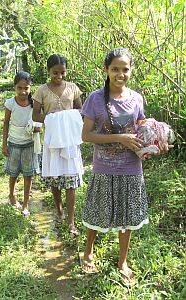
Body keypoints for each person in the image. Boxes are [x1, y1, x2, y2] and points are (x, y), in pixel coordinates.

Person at [81, 48, 169, 283]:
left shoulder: (137, 98)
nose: (120, 74)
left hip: (131, 166)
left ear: (131, 70)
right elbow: (86, 136)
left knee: (127, 216)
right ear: (106, 70)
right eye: (115, 69)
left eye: (125, 69)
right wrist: (119, 138)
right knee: (98, 211)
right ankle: (88, 251)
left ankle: (123, 261)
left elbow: (141, 127)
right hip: (105, 166)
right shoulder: (95, 99)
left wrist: (158, 140)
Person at [32, 54, 83, 235]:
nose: (59, 76)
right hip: (53, 141)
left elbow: (79, 110)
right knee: (55, 177)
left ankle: (71, 221)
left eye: (62, 72)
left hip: (69, 140)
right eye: (55, 72)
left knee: (70, 181)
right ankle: (59, 209)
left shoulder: (73, 88)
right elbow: (35, 115)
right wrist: (53, 119)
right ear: (48, 71)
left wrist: (68, 119)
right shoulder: (42, 91)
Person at [2, 71, 41, 217]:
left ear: (31, 88)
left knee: (28, 174)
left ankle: (25, 204)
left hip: (29, 144)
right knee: (13, 173)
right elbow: (6, 123)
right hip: (14, 143)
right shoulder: (10, 103)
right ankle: (11, 195)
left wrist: (37, 129)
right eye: (19, 88)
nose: (23, 91)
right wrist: (4, 144)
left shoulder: (34, 104)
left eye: (26, 88)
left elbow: (40, 121)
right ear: (14, 88)